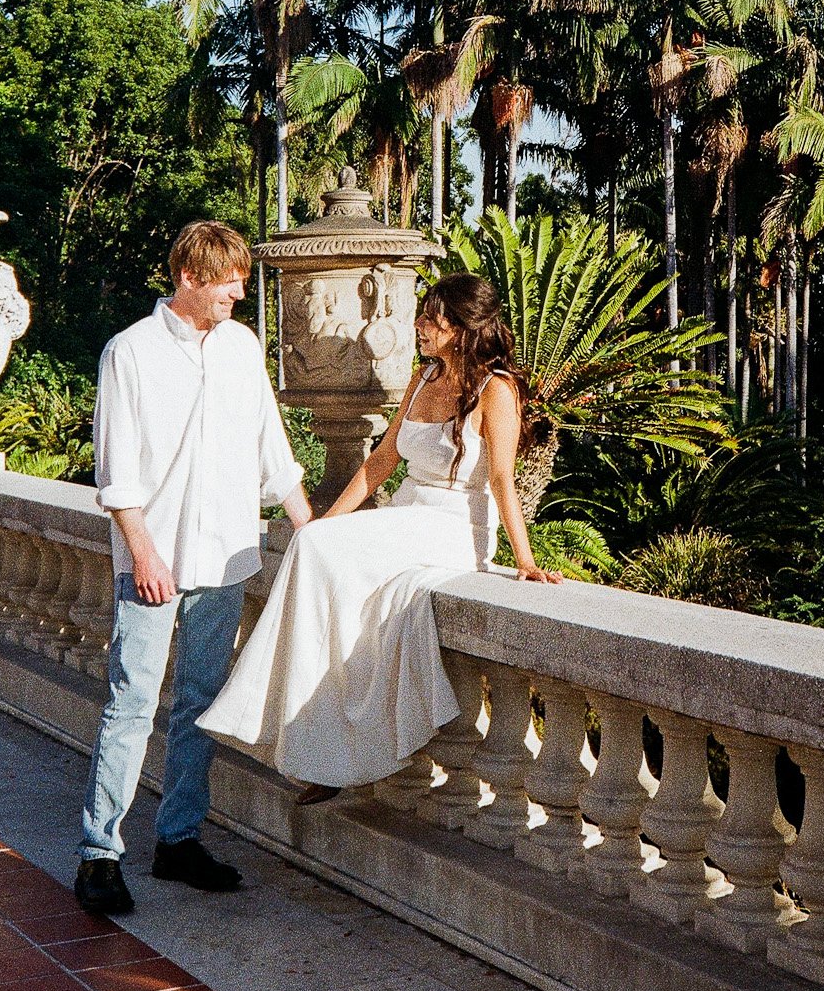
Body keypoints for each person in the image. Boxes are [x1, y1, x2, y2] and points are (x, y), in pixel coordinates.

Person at [198, 273, 559, 792]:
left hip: (453, 526)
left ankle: (298, 725)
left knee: (318, 547)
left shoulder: (496, 390)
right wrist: (326, 522)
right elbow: (381, 461)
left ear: (462, 329)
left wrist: (525, 561)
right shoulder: (422, 377)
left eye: (432, 319)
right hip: (407, 514)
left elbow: (502, 478)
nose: (420, 326)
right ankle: (319, 734)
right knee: (314, 544)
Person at [74, 220, 311, 916]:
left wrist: (309, 529)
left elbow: (271, 447)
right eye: (228, 283)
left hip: (227, 556)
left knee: (201, 702)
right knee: (132, 703)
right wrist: (144, 554)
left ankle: (178, 840)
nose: (239, 294)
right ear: (188, 278)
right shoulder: (130, 352)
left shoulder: (241, 347)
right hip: (154, 558)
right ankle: (99, 854)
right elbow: (117, 470)